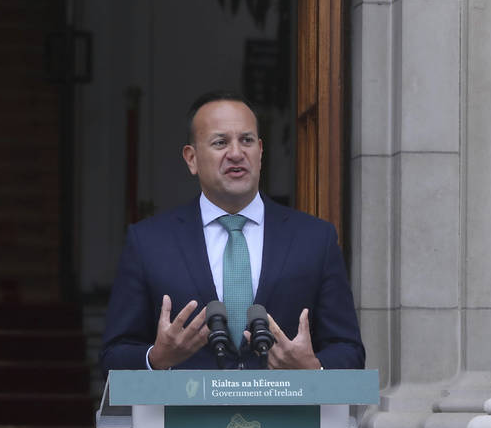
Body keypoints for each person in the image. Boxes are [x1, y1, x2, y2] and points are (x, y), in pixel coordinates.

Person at [99, 91, 364, 372]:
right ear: (192, 159)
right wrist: (156, 358)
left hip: (285, 414)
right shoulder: (149, 242)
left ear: (260, 152)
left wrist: (314, 369)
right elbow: (112, 357)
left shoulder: (315, 239)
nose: (236, 153)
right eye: (220, 142)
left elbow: (350, 352)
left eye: (247, 140)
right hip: (187, 415)